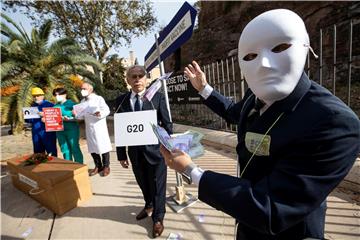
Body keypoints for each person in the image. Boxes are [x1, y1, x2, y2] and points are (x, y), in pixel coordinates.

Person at [160, 9, 360, 240]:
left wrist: (192, 171)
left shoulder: (334, 123)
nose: (264, 64)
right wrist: (204, 89)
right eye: (250, 56)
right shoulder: (255, 96)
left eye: (279, 48)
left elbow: (272, 207)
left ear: (307, 49)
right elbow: (234, 113)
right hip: (246, 220)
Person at [115, 65, 172, 238]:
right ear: (128, 80)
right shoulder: (121, 101)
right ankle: (149, 205)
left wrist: (167, 148)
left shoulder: (158, 97)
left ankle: (158, 218)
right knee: (143, 182)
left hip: (156, 152)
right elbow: (120, 129)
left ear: (146, 79)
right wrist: (121, 154)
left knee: (158, 186)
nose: (137, 79)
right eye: (133, 76)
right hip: (135, 153)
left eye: (141, 76)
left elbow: (167, 124)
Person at [73, 82, 112, 177]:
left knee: (103, 147)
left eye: (84, 89)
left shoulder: (99, 99)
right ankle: (98, 166)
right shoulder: (82, 102)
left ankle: (106, 166)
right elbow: (81, 116)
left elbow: (107, 110)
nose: (82, 91)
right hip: (89, 128)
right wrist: (76, 114)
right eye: (81, 89)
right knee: (92, 148)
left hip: (99, 127)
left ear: (90, 89)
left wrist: (100, 114)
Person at [53, 87, 83, 164]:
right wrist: (45, 118)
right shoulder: (55, 106)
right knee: (64, 149)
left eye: (59, 94)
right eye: (55, 95)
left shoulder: (73, 104)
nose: (57, 96)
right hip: (59, 131)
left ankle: (79, 166)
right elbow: (51, 117)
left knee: (74, 147)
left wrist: (70, 118)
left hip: (71, 129)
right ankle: (69, 165)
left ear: (65, 94)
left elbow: (80, 117)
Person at [26, 87, 57, 156]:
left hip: (48, 133)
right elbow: (29, 121)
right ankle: (40, 166)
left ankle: (53, 166)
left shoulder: (50, 105)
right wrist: (27, 116)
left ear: (43, 96)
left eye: (38, 95)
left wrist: (45, 116)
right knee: (38, 152)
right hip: (36, 132)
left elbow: (56, 119)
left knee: (51, 152)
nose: (36, 97)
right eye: (34, 96)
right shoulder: (32, 107)